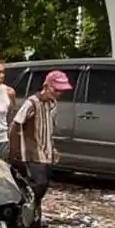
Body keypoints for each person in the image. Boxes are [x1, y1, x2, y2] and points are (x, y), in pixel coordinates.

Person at [9, 70, 72, 217]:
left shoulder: (53, 104)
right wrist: (15, 152)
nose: (58, 93)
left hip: (46, 150)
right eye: (55, 89)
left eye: (61, 91)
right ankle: (25, 208)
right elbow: (15, 125)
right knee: (39, 183)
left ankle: (32, 211)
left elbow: (49, 128)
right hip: (32, 151)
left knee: (43, 185)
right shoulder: (32, 102)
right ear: (46, 86)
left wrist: (53, 148)